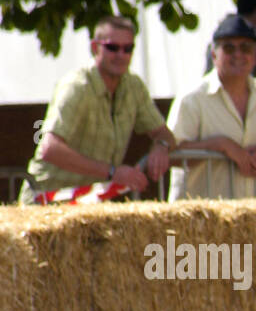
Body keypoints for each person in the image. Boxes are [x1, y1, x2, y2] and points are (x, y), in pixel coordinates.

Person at [20, 16, 176, 204]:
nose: (121, 55)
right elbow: (50, 148)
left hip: (89, 206)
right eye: (112, 47)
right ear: (95, 48)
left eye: (128, 48)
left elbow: (163, 133)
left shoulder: (134, 86)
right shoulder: (77, 86)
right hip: (46, 203)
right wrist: (112, 172)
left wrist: (162, 146)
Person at [167, 15, 256, 200]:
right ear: (214, 54)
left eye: (245, 48)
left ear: (255, 56)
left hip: (250, 221)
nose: (238, 55)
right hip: (198, 220)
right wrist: (219, 145)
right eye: (229, 48)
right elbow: (170, 154)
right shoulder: (191, 98)